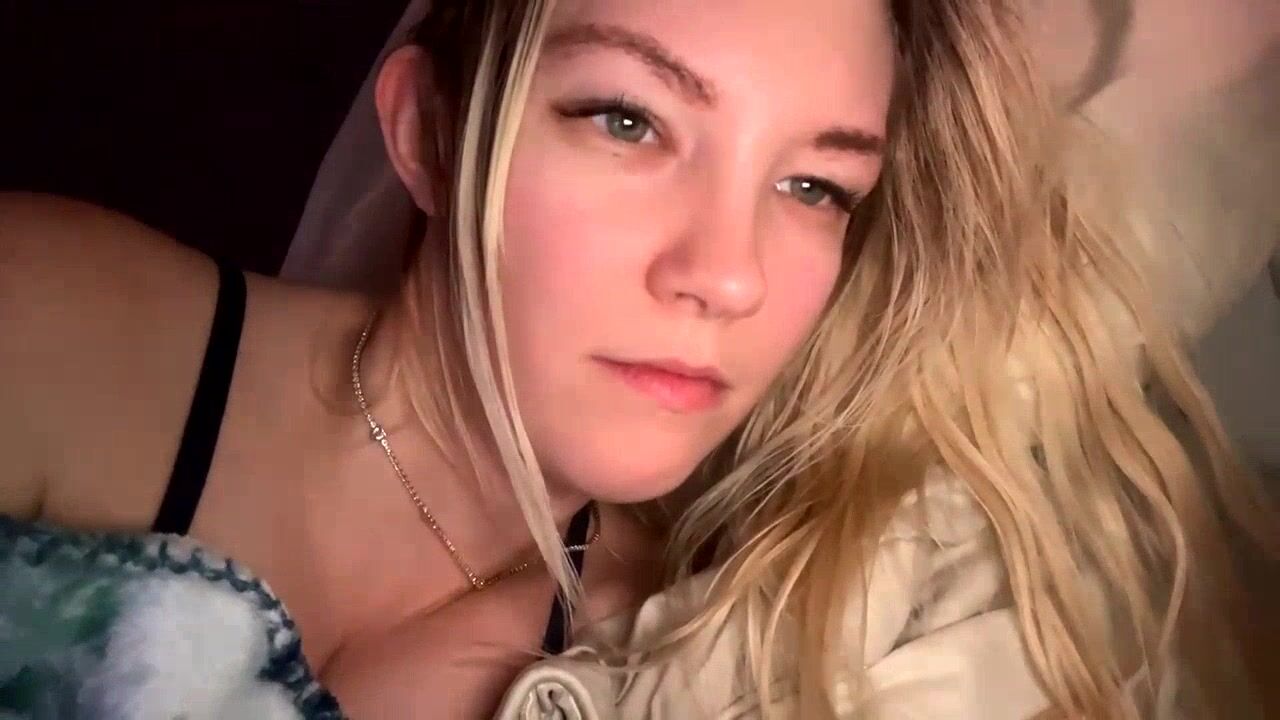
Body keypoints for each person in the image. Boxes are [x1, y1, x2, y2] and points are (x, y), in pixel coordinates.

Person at [0, 3, 1275, 720]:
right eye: (628, 120)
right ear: (429, 132)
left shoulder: (696, 656)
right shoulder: (55, 326)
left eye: (814, 186)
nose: (727, 274)